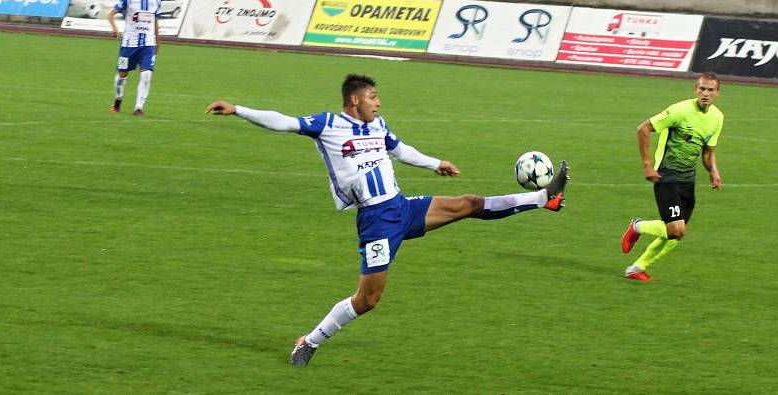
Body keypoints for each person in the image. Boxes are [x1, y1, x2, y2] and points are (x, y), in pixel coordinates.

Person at [205, 74, 570, 367]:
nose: (378, 102)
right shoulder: (328, 125)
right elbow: (283, 122)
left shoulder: (378, 125)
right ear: (354, 100)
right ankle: (309, 341)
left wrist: (435, 163)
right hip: (376, 222)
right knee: (368, 300)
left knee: (468, 204)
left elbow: (400, 149)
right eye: (373, 96)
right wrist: (238, 109)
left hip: (401, 207)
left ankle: (543, 198)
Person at [621, 73, 724, 282]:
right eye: (702, 89)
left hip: (688, 179)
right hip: (666, 175)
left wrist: (713, 170)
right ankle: (637, 226)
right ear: (696, 89)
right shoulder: (680, 111)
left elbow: (707, 152)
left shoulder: (717, 118)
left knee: (677, 234)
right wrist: (647, 165)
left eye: (710, 90)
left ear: (717, 93)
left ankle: (636, 268)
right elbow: (643, 129)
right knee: (676, 228)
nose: (705, 93)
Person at [108, 0, 161, 116]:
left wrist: (158, 42)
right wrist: (115, 29)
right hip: (129, 44)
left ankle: (138, 107)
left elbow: (155, 22)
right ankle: (118, 99)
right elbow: (111, 14)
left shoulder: (156, 0)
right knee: (122, 76)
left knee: (146, 75)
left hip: (148, 45)